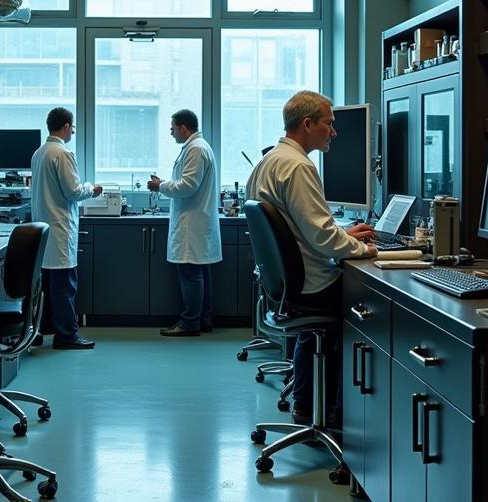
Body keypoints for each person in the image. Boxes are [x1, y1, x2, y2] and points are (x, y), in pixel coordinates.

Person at [246, 90, 377, 426]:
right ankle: (343, 415)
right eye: (329, 124)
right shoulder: (299, 166)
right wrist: (366, 250)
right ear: (307, 124)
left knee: (315, 326)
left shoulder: (269, 161)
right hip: (310, 285)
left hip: (289, 288)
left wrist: (344, 236)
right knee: (373, 312)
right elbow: (320, 236)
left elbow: (302, 229)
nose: (334, 131)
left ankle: (307, 402)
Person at [30, 107, 102, 350]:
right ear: (66, 126)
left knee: (48, 287)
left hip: (43, 230)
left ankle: (45, 328)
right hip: (59, 228)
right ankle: (67, 336)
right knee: (64, 288)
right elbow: (73, 191)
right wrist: (92, 188)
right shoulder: (62, 153)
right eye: (72, 127)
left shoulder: (39, 153)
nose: (72, 131)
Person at [148, 110, 222, 337]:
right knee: (199, 272)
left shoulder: (196, 149)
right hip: (196, 220)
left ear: (183, 127)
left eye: (172, 128)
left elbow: (188, 185)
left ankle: (190, 323)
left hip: (193, 223)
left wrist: (160, 186)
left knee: (191, 273)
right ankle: (203, 319)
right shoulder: (197, 147)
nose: (171, 132)